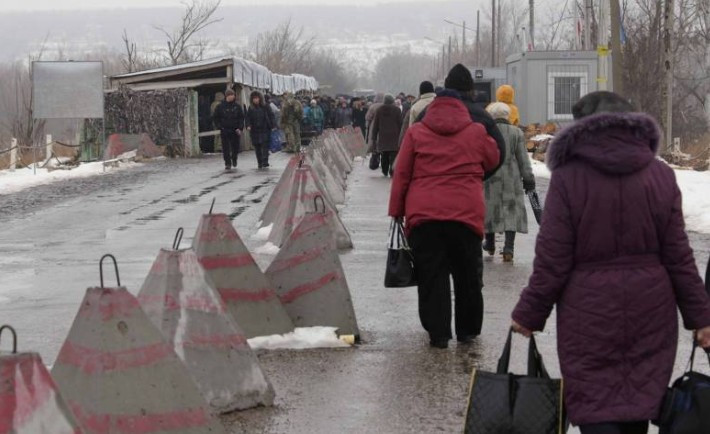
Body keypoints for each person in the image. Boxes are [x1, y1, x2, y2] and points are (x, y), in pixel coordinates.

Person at [510, 91, 710, 434]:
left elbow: (553, 259)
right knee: (636, 406)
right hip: (651, 311)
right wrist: (701, 318)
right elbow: (679, 256)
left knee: (596, 405)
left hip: (588, 313)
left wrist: (529, 314)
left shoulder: (569, 178)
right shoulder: (659, 176)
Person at [389, 89, 500, 349]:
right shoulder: (476, 131)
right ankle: (467, 331)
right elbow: (493, 158)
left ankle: (438, 334)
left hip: (425, 216)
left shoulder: (416, 132)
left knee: (431, 275)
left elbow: (401, 174)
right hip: (466, 214)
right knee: (467, 275)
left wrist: (397, 211)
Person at [482, 102, 535, 262]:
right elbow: (523, 159)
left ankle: (490, 244)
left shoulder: (486, 132)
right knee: (511, 211)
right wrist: (528, 179)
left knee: (490, 209)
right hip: (512, 177)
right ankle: (508, 248)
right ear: (507, 115)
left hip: (491, 176)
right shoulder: (516, 132)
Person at [212, 88, 244, 170]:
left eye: (232, 95)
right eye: (230, 95)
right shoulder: (220, 106)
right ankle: (227, 162)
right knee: (225, 147)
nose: (231, 97)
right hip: (225, 129)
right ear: (226, 96)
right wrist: (219, 126)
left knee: (235, 147)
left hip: (235, 129)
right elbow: (215, 117)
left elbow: (241, 117)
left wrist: (240, 128)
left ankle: (234, 158)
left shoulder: (237, 106)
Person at [371, 95, 403, 177]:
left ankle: (384, 170)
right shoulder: (397, 110)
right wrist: (402, 136)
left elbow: (376, 125)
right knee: (393, 154)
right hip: (394, 136)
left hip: (383, 136)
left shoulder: (379, 110)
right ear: (392, 101)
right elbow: (401, 124)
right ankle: (392, 171)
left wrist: (373, 137)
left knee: (384, 154)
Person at [246, 91, 276, 169]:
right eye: (254, 98)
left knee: (265, 146)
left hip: (265, 129)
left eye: (257, 98)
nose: (255, 100)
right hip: (255, 130)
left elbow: (271, 115)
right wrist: (248, 125)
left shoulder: (265, 106)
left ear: (260, 98)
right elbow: (248, 118)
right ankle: (259, 162)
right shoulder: (251, 108)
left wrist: (273, 125)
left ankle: (265, 161)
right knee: (257, 147)